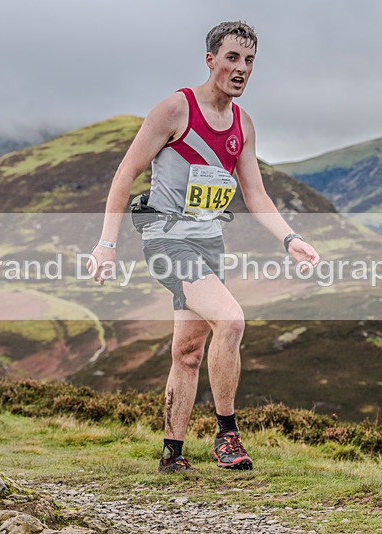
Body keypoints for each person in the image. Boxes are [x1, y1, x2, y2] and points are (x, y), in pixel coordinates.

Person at [88, 21, 320, 472]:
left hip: (209, 242)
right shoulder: (175, 110)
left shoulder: (242, 124)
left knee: (188, 352)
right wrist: (106, 244)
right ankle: (227, 435)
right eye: (232, 58)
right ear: (211, 60)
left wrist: (290, 238)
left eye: (249, 61)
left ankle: (171, 455)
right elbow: (125, 174)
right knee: (230, 320)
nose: (241, 68)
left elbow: (255, 193)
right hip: (165, 240)